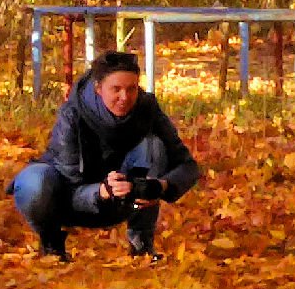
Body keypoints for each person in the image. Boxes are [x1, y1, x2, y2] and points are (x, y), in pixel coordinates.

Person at [12, 50, 202, 262]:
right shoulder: (71, 114)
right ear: (98, 88)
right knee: (34, 182)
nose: (125, 97)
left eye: (132, 89)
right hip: (72, 199)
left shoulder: (147, 108)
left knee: (153, 145)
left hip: (125, 199)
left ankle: (142, 245)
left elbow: (188, 166)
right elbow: (69, 185)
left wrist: (160, 187)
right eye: (116, 89)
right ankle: (52, 244)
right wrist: (102, 190)